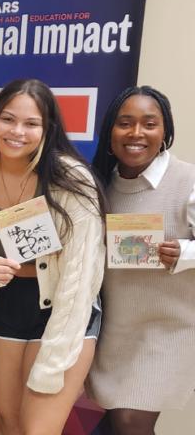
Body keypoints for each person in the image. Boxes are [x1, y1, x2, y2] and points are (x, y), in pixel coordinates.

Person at [0, 79, 105, 435]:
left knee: (38, 429)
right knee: (8, 420)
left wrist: (52, 363)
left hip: (64, 307)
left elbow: (82, 274)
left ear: (47, 128)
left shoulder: (71, 179)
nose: (17, 131)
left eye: (31, 123)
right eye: (8, 119)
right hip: (1, 309)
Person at [87, 87, 195, 435]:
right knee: (118, 423)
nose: (136, 134)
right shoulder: (100, 184)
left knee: (131, 422)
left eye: (150, 124)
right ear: (110, 131)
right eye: (125, 123)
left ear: (165, 131)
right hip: (114, 332)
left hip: (169, 329)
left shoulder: (187, 180)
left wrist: (185, 252)